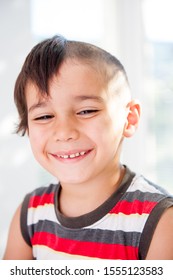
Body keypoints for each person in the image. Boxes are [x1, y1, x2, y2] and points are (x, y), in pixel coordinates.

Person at [3, 35, 173, 260]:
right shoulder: (29, 215)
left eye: (86, 111)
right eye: (44, 116)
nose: (64, 132)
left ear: (129, 119)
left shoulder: (160, 221)